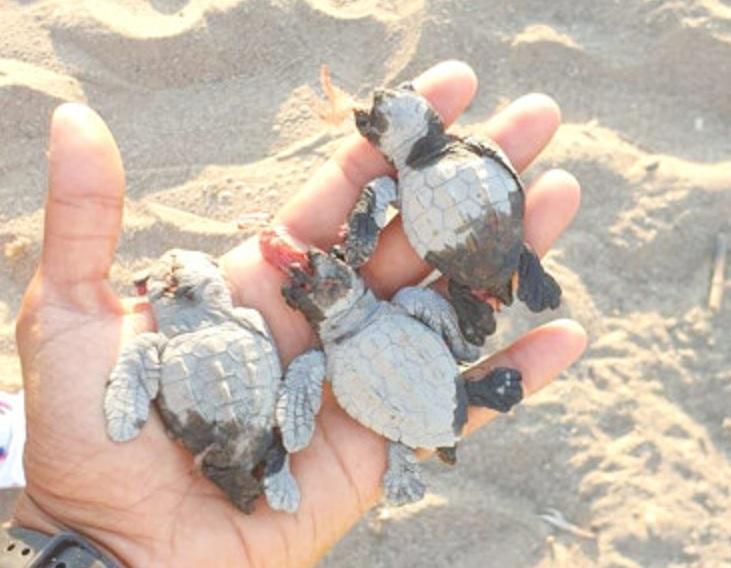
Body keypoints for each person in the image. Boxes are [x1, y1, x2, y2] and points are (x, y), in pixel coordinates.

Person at [8, 61, 586, 566]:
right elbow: (299, 398)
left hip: (376, 355)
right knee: (422, 316)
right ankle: (394, 441)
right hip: (385, 353)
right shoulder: (321, 338)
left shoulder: (314, 357)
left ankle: (408, 435)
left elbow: (300, 395)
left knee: (420, 322)